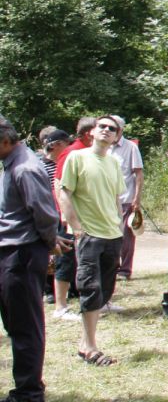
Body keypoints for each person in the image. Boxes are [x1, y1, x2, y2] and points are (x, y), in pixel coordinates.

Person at [0, 116, 62, 402]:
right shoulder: (11, 163)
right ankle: (25, 387)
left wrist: (50, 244)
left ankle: (28, 393)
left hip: (21, 254)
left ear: (5, 140)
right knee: (15, 323)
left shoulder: (25, 167)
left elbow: (45, 213)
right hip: (12, 252)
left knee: (25, 325)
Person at [56, 116, 126, 367]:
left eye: (112, 129)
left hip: (112, 235)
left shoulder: (114, 162)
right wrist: (76, 228)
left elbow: (116, 198)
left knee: (105, 290)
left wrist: (120, 225)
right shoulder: (77, 157)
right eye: (102, 126)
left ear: (117, 136)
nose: (106, 130)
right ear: (92, 132)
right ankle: (90, 347)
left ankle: (85, 344)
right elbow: (64, 192)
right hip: (89, 235)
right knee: (90, 288)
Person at [38, 128, 78, 318]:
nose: (69, 147)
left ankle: (72, 289)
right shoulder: (40, 166)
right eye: (65, 144)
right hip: (50, 214)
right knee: (55, 255)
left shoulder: (65, 162)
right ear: (55, 146)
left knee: (67, 254)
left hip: (63, 214)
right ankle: (50, 292)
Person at [107, 116, 144, 283]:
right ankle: (111, 267)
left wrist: (137, 198)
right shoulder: (103, 147)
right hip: (105, 199)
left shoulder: (130, 147)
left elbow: (138, 174)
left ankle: (125, 269)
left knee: (125, 236)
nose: (109, 131)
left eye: (113, 128)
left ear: (120, 130)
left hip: (125, 197)